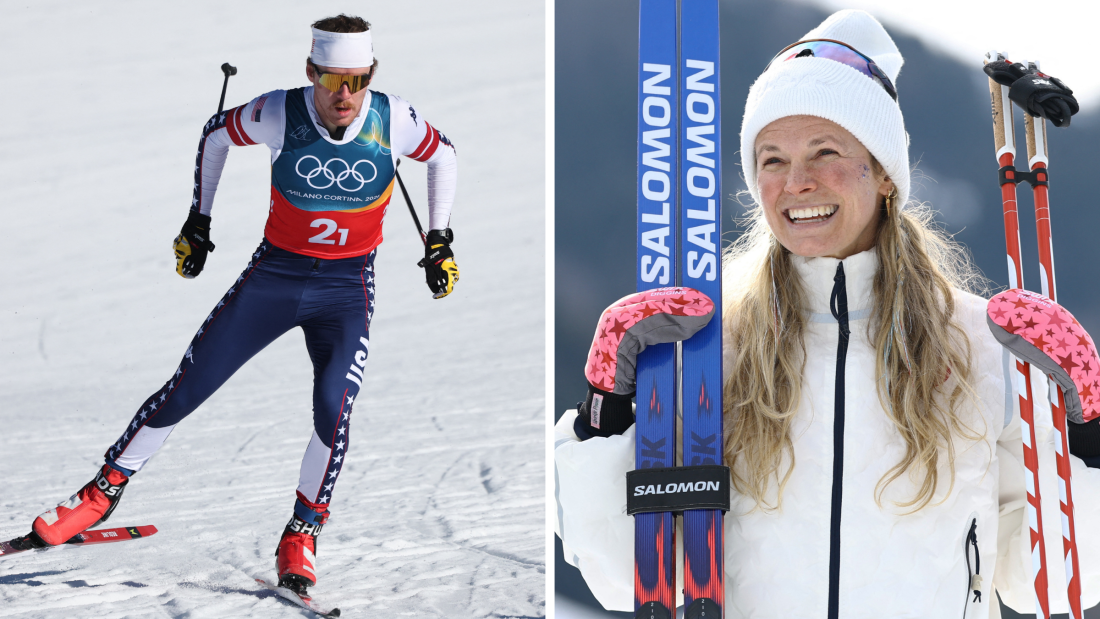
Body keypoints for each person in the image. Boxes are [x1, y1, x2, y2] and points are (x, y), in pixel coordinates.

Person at [554, 10, 1100, 618]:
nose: (798, 183)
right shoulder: (712, 348)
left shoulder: (978, 345)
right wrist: (606, 411)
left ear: (885, 174)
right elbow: (623, 573)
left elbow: (1047, 582)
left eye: (825, 151)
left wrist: (1088, 433)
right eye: (772, 160)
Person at [12, 14, 459, 595]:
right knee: (188, 386)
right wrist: (199, 220)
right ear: (310, 72)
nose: (344, 95)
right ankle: (100, 494)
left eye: (356, 80)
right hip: (276, 276)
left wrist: (439, 238)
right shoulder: (280, 111)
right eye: (330, 81)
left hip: (346, 290)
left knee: (333, 406)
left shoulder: (393, 118)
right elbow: (215, 134)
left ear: (370, 74)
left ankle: (303, 532)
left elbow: (444, 155)